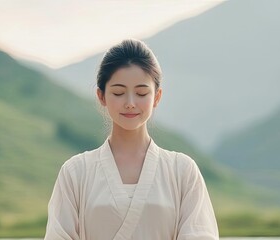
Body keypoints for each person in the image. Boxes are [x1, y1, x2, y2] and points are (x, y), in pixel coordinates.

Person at [44, 39, 219, 240]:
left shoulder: (182, 171)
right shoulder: (75, 172)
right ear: (101, 96)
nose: (130, 103)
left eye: (141, 93)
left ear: (157, 97)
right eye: (118, 92)